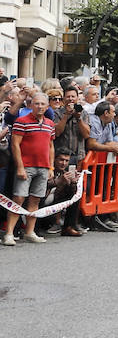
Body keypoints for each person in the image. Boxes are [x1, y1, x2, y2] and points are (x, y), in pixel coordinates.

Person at [4, 92, 54, 245]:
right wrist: (20, 167)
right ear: (31, 105)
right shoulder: (22, 121)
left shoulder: (49, 124)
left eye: (42, 104)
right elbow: (15, 144)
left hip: (43, 166)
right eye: (36, 103)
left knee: (35, 199)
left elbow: (51, 146)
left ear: (47, 107)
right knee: (18, 198)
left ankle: (29, 232)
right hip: (26, 166)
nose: (39, 106)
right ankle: (9, 233)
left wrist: (51, 167)